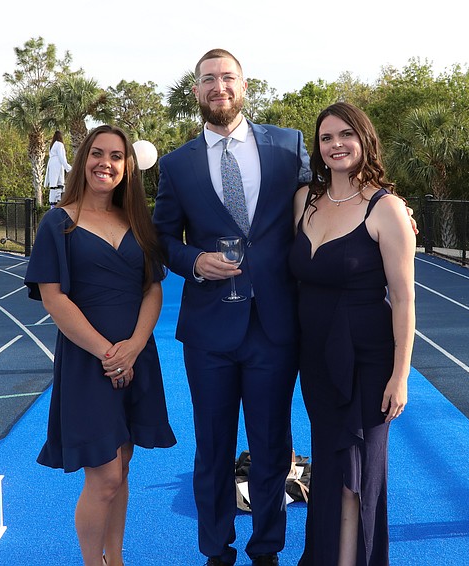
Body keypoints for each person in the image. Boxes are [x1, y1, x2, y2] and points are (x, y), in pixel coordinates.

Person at [152, 48, 311, 566]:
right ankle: (216, 553)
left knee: (271, 450)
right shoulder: (176, 165)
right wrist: (195, 260)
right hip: (209, 332)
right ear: (194, 91)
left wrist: (392, 210)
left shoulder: (289, 146)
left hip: (273, 327)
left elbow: (330, 199)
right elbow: (162, 240)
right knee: (212, 451)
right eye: (207, 80)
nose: (218, 86)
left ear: (244, 85)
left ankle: (266, 551)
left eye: (228, 77)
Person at [25, 124, 176, 566]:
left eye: (115, 156)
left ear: (128, 167)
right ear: (82, 161)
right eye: (96, 153)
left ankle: (118, 560)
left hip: (137, 356)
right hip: (88, 363)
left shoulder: (137, 223)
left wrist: (133, 347)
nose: (104, 163)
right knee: (104, 475)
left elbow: (153, 291)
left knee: (123, 468)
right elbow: (54, 298)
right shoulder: (58, 222)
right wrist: (109, 353)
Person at [289, 102, 416, 566]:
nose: (336, 144)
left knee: (355, 477)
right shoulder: (304, 200)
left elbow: (404, 299)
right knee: (328, 469)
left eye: (346, 135)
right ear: (317, 148)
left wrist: (400, 375)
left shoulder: (387, 209)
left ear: (365, 141)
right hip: (317, 360)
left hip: (368, 359)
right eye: (325, 138)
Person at [45, 130, 71, 205]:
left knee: (56, 184)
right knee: (57, 183)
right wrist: (68, 167)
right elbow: (61, 156)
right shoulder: (59, 144)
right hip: (57, 164)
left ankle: (55, 201)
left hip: (53, 164)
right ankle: (55, 201)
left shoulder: (52, 145)